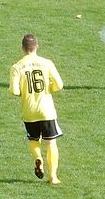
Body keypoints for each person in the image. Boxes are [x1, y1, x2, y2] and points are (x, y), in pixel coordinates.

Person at [9, 33, 64, 185]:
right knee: (51, 142)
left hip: (29, 111)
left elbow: (14, 91)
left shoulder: (16, 67)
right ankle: (53, 176)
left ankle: (38, 158)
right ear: (36, 46)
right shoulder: (47, 63)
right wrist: (49, 89)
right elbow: (59, 85)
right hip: (46, 110)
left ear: (22, 48)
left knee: (34, 139)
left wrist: (23, 91)